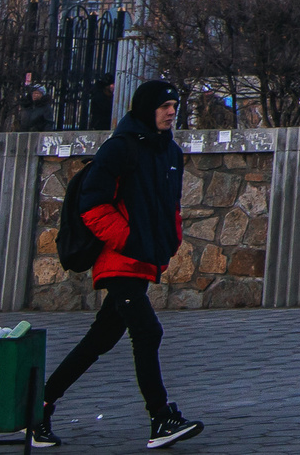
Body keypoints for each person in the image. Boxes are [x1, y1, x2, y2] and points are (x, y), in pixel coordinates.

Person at [31, 80, 203, 449]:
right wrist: (128, 239)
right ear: (146, 109)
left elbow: (171, 206)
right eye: (165, 105)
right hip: (119, 258)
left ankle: (38, 406)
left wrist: (168, 242)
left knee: (100, 339)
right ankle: (161, 418)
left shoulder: (170, 152)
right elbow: (92, 205)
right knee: (148, 332)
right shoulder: (120, 148)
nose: (172, 111)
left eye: (174, 105)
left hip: (143, 260)